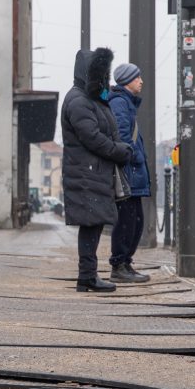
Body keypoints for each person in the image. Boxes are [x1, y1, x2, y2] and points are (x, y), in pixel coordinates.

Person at [61, 47, 133, 293]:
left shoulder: (89, 98)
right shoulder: (79, 100)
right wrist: (118, 150)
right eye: (101, 72)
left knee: (94, 224)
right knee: (91, 225)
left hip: (92, 172)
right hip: (86, 173)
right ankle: (87, 277)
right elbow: (91, 137)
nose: (105, 77)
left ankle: (88, 276)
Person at [108, 62, 151, 283]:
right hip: (128, 173)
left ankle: (125, 263)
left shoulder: (126, 103)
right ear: (126, 81)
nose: (141, 81)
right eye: (137, 78)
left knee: (135, 221)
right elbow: (123, 138)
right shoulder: (120, 103)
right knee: (127, 221)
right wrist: (135, 158)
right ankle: (119, 265)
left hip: (132, 172)